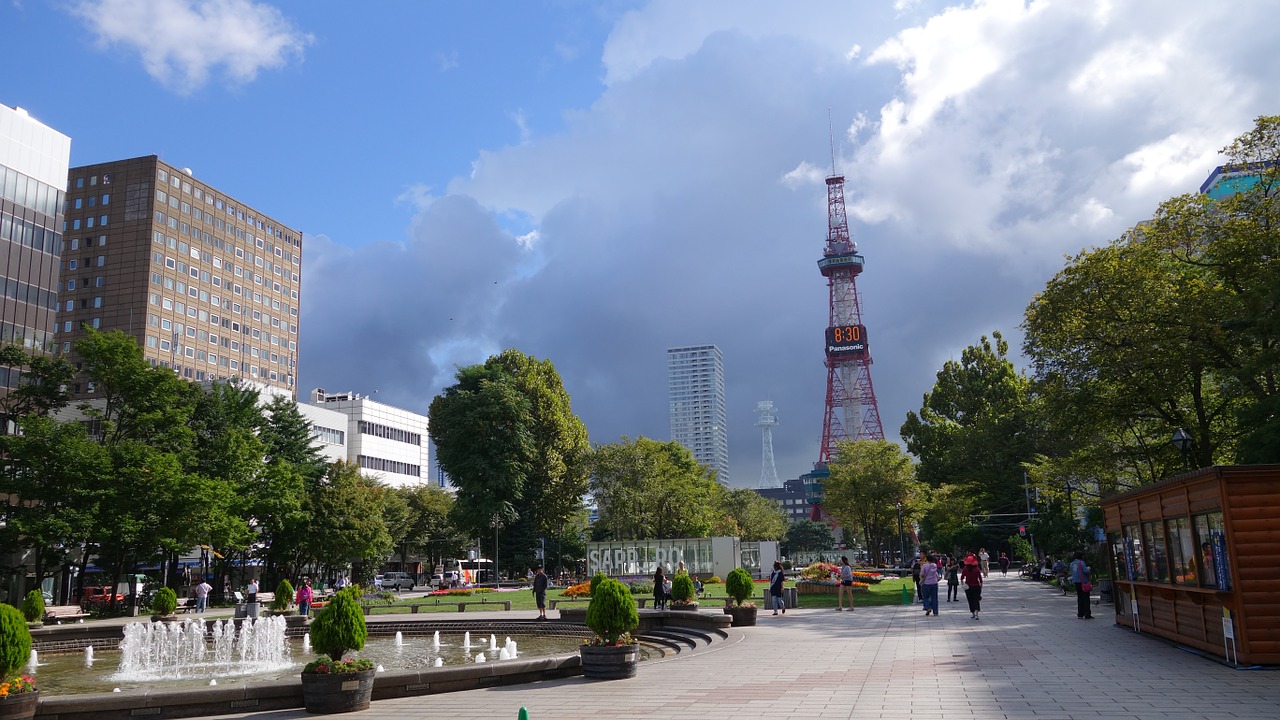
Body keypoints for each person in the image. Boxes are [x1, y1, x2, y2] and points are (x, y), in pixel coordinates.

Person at [1069, 551, 1093, 619]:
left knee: (1079, 598)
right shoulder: (1081, 563)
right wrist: (1089, 569)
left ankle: (1080, 613)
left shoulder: (1071, 564)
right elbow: (1086, 571)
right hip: (1083, 582)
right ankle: (1087, 613)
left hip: (1076, 582)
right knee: (1086, 598)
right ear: (1081, 556)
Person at [961, 553, 983, 620]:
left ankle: (973, 613)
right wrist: (981, 587)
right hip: (976, 586)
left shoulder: (965, 569)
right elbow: (980, 580)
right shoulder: (977, 569)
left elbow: (962, 578)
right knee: (976, 600)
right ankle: (976, 614)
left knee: (970, 600)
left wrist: (963, 585)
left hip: (968, 587)